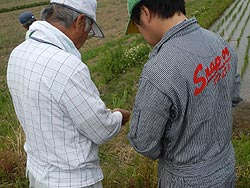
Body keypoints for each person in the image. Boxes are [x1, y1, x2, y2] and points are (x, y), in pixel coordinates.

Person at [7, 0, 130, 187]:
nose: (85, 40)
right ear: (80, 21)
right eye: (88, 32)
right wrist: (120, 116)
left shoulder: (18, 54)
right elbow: (101, 130)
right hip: (72, 180)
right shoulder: (67, 67)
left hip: (37, 172)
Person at [126, 0, 242, 187]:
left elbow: (144, 143)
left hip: (186, 179)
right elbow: (234, 96)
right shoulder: (219, 43)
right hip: (225, 167)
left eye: (137, 26)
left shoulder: (159, 69)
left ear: (145, 13)